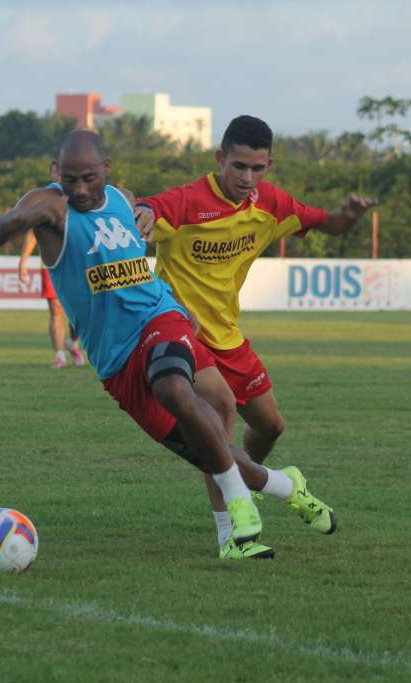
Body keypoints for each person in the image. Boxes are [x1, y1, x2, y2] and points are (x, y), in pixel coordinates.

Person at [0, 130, 334, 560]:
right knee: (205, 446)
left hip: (160, 318)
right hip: (115, 358)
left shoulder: (124, 201)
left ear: (106, 169)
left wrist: (181, 305)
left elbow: (143, 259)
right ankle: (285, 487)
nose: (80, 189)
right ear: (56, 173)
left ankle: (236, 518)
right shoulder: (49, 205)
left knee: (180, 392)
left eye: (89, 178)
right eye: (70, 179)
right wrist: (15, 220)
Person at [135, 115, 375, 550]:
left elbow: (328, 223)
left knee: (269, 427)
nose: (247, 177)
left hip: (228, 336)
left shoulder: (271, 204)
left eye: (257, 168)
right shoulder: (188, 201)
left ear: (269, 165)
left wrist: (350, 215)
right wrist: (143, 213)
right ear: (220, 158)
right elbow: (151, 209)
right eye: (239, 166)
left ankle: (251, 479)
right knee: (218, 417)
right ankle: (233, 534)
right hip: (183, 335)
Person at [19, 228, 86, 368]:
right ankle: (59, 356)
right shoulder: (43, 207)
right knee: (56, 310)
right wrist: (22, 262)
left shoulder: (77, 206)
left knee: (81, 311)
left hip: (77, 263)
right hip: (51, 263)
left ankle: (72, 343)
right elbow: (33, 232)